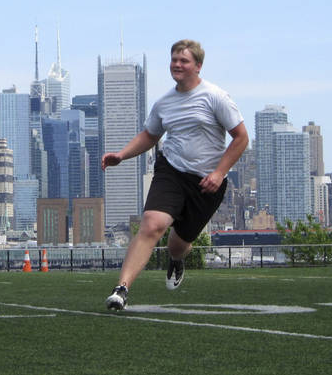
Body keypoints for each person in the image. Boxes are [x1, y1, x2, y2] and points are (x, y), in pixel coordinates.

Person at [103, 39, 248, 310]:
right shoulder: (164, 103)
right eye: (174, 60)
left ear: (198, 66)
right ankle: (121, 289)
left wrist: (219, 173)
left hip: (206, 182)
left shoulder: (215, 97)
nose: (177, 65)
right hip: (171, 171)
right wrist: (121, 155)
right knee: (152, 225)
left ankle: (177, 260)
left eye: (184, 61)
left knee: (178, 245)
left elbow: (241, 138)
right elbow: (150, 135)